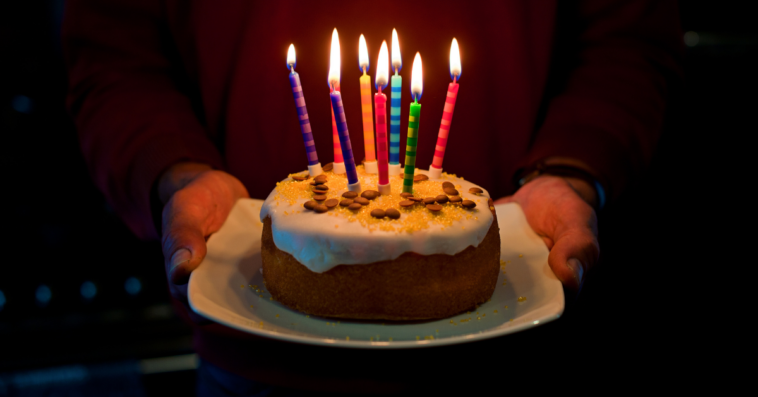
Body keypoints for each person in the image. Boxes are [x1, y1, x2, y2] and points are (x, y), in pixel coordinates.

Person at [63, 0, 682, 393]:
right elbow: (114, 53)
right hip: (249, 362)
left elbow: (630, 38)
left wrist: (576, 167)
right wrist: (173, 169)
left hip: (514, 358)